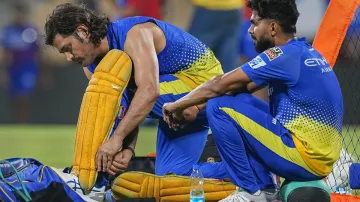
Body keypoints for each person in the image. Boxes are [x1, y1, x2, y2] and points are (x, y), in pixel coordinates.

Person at [163, 0, 344, 201]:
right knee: (238, 100)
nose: (250, 30)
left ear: (273, 27)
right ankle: (265, 189)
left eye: (255, 23)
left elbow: (220, 83)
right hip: (318, 155)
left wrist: (177, 104)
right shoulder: (301, 51)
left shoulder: (282, 55)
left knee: (218, 107)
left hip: (305, 157)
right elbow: (238, 88)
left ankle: (251, 192)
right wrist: (197, 107)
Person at [44, 3, 225, 178]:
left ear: (83, 32)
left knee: (110, 98)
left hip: (203, 85)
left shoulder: (135, 34)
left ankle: (92, 177)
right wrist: (129, 148)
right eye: (63, 53)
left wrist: (117, 140)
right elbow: (129, 103)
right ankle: (243, 172)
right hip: (173, 106)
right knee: (172, 180)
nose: (68, 58)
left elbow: (148, 91)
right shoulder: (90, 66)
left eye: (68, 48)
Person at [1, 2, 42, 123]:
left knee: (24, 97)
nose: (18, 16)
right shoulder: (8, 31)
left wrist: (42, 73)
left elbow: (38, 53)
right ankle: (16, 123)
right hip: (12, 69)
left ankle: (24, 123)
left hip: (27, 69)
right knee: (14, 97)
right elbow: (4, 52)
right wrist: (3, 71)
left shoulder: (30, 31)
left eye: (21, 13)